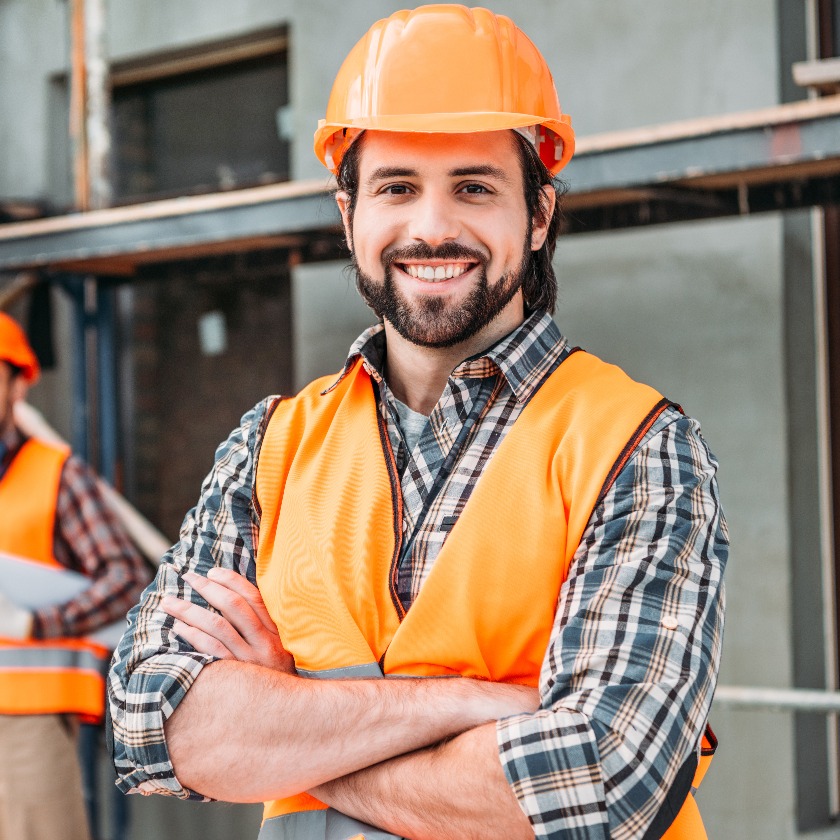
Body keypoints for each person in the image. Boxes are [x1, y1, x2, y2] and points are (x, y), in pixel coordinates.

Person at [107, 6, 728, 839]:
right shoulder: (271, 448)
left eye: (474, 187)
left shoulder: (638, 449)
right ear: (348, 215)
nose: (432, 227)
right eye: (397, 187)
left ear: (538, 216)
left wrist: (290, 723)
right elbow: (154, 726)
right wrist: (473, 705)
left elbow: (599, 783)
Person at [0, 311, 149, 840]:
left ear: (17, 384)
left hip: (24, 720)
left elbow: (127, 577)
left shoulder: (56, 475)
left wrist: (37, 623)